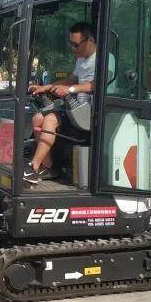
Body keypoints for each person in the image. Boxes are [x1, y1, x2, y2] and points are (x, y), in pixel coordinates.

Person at [24, 21, 97, 185]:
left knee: (49, 120)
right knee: (37, 119)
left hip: (91, 113)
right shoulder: (81, 60)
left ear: (90, 40)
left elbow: (95, 85)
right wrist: (47, 87)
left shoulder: (104, 59)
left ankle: (34, 166)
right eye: (70, 44)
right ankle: (48, 166)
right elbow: (71, 79)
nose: (73, 48)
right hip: (75, 110)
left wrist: (70, 90)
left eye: (76, 44)